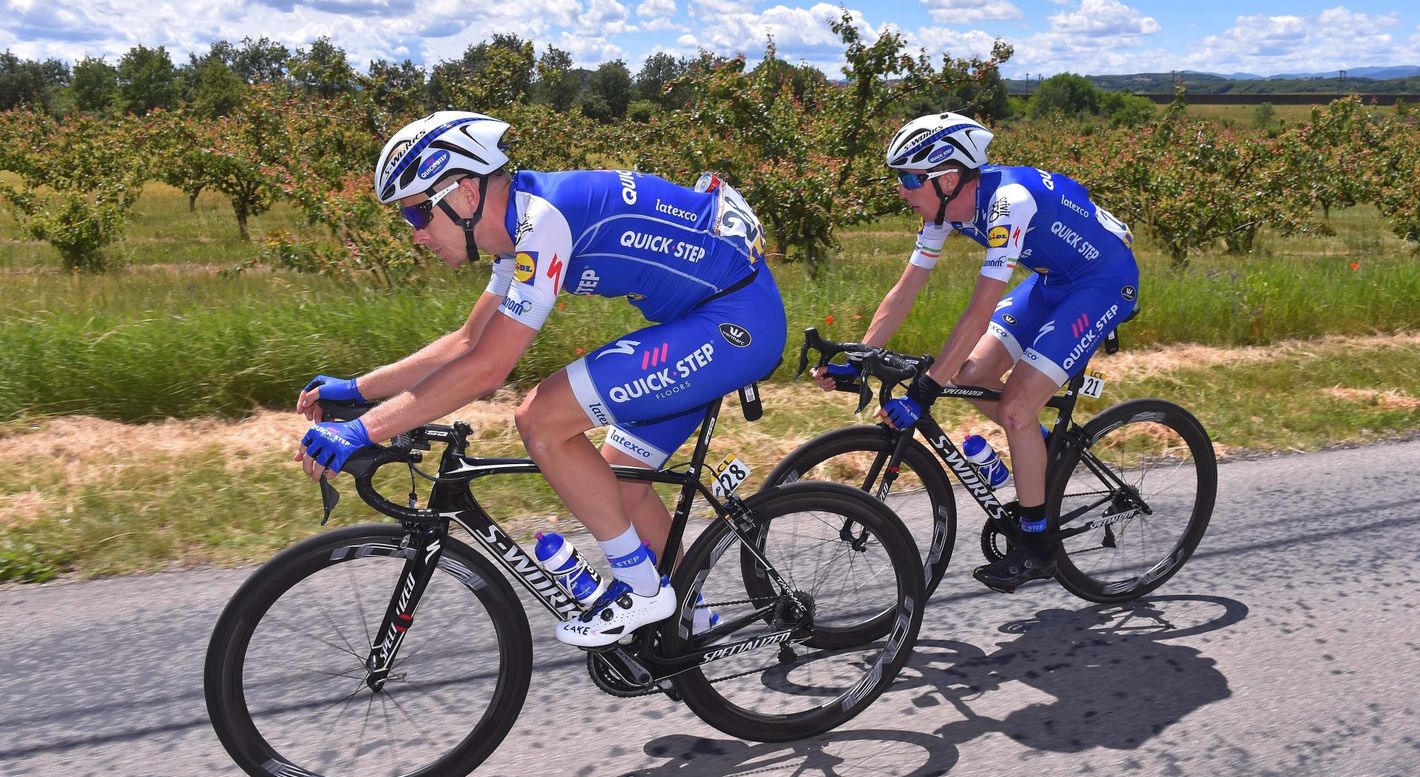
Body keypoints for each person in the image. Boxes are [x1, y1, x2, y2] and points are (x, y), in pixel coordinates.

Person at [294, 111, 787, 644]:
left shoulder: (542, 224)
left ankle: (642, 592)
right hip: (705, 317)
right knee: (620, 481)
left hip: (734, 322)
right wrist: (358, 389)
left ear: (461, 195)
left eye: (415, 214)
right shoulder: (515, 234)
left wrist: (365, 430)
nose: (413, 234)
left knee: (542, 418)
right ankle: (690, 617)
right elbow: (466, 342)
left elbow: (488, 368)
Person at [813, 112, 1138, 592]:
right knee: (971, 375)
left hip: (1102, 282)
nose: (900, 191)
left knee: (1015, 408)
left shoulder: (1009, 204)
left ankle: (1037, 546)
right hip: (1053, 281)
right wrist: (858, 357)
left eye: (908, 178)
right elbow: (905, 291)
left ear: (947, 178)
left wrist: (925, 388)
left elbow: (980, 306)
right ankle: (1042, 450)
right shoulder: (945, 212)